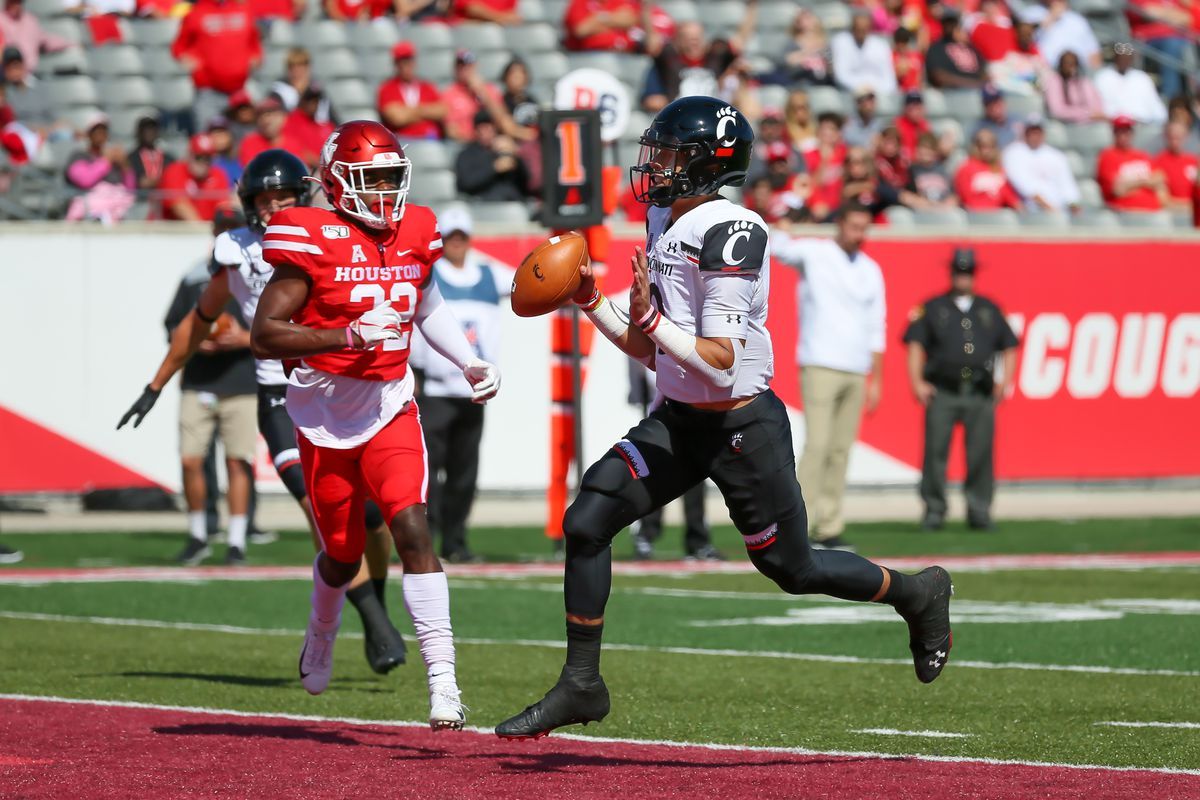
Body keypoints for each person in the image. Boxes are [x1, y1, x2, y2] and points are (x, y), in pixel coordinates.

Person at [493, 96, 953, 740]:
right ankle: (581, 683)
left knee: (794, 570)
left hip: (742, 426)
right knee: (588, 518)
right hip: (682, 421)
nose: (654, 167)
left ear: (709, 164)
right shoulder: (662, 218)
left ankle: (915, 592)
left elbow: (718, 360)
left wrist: (652, 320)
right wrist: (591, 299)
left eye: (670, 155)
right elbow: (653, 351)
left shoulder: (732, 231)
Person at [118, 149, 411, 676]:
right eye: (263, 198)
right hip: (280, 396)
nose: (273, 206)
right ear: (248, 203)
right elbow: (199, 318)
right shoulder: (235, 251)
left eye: (282, 197)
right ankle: (373, 621)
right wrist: (155, 384)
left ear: (305, 196)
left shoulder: (333, 236)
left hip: (341, 387)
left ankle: (378, 600)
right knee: (322, 513)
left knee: (371, 518)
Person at [251, 121, 501, 729]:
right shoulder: (309, 235)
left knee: (413, 529)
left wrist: (466, 359)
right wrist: (347, 333)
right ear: (337, 181)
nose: (386, 190)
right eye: (372, 178)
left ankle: (444, 682)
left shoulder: (416, 228)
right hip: (322, 412)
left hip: (391, 401)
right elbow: (264, 335)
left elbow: (425, 301)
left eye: (393, 176)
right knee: (342, 552)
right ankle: (322, 630)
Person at [772, 203, 885, 552]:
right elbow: (776, 245)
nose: (859, 234)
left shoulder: (870, 269)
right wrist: (788, 211)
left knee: (840, 450)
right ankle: (798, 524)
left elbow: (876, 325)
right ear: (839, 224)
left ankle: (829, 524)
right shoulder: (816, 253)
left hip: (855, 367)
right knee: (817, 446)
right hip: (820, 361)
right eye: (853, 226)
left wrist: (876, 378)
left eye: (864, 228)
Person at [408, 206, 514, 564]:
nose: (456, 244)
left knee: (464, 473)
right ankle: (425, 540)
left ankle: (455, 541)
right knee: (428, 472)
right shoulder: (429, 274)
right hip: (434, 389)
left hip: (472, 392)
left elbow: (527, 283)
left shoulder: (487, 274)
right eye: (450, 237)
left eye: (461, 237)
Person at [157, 206, 258, 565]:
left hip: (243, 381)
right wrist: (198, 342)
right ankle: (199, 533)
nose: (227, 233)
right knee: (190, 459)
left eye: (234, 227)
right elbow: (173, 326)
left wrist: (243, 338)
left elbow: (277, 327)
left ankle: (236, 540)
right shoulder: (195, 275)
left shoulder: (259, 271)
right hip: (198, 380)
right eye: (223, 228)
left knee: (237, 461)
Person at [904, 247, 1018, 531]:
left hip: (979, 391)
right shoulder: (933, 307)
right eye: (958, 271)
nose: (962, 277)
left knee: (981, 453)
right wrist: (917, 381)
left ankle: (979, 509)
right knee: (935, 453)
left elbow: (1009, 345)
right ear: (951, 272)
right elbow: (915, 343)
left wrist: (1006, 381)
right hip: (943, 390)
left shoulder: (989, 309)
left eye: (967, 272)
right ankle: (934, 509)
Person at [626, 360, 721, 562]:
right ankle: (646, 534)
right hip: (660, 406)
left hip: (690, 402)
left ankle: (698, 540)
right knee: (654, 471)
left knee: (695, 472)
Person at [171, 0, 262, 132]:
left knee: (242, 139)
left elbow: (254, 43)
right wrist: (189, 61)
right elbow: (178, 47)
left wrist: (255, 57)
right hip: (208, 92)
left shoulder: (243, 11)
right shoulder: (197, 12)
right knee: (208, 140)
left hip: (239, 92)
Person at [64, 112, 135, 224]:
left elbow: (130, 189)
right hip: (87, 214)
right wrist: (106, 161)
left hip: (115, 214)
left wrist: (125, 166)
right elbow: (85, 180)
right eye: (96, 130)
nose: (100, 134)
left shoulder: (114, 160)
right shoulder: (78, 156)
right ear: (88, 134)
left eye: (103, 130)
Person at [1002, 114, 1080, 213]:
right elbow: (1023, 185)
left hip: (1059, 210)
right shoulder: (1013, 153)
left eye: (1038, 132)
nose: (1035, 136)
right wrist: (1049, 208)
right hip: (1031, 210)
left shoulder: (1056, 156)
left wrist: (1073, 204)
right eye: (1032, 132)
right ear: (1026, 133)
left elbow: (1067, 184)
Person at [454, 110, 531, 202]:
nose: (488, 132)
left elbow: (527, 181)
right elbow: (466, 183)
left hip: (512, 203)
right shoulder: (467, 155)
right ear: (476, 131)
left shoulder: (503, 150)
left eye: (491, 128)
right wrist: (494, 168)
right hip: (484, 204)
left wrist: (516, 156)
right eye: (483, 128)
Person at [377, 41, 446, 141]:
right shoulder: (387, 88)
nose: (407, 65)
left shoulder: (427, 86)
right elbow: (396, 118)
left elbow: (442, 110)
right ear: (396, 64)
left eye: (410, 60)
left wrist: (409, 111)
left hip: (429, 141)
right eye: (403, 62)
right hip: (402, 142)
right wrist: (426, 111)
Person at [1096, 116, 1165, 212]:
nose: (1125, 135)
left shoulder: (1142, 155)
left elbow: (1160, 179)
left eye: (1128, 131)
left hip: (1152, 211)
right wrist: (1145, 182)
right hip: (1125, 213)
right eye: (1121, 131)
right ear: (1114, 133)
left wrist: (1131, 184)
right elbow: (1118, 189)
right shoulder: (1108, 156)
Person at [157, 133, 232, 221]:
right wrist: (201, 231)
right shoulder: (174, 171)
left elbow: (223, 208)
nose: (203, 162)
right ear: (189, 155)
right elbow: (179, 205)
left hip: (206, 230)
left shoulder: (218, 174)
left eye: (207, 158)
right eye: (198, 157)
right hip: (172, 231)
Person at [1094, 42, 1167, 125]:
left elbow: (1158, 110)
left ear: (1131, 59)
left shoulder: (1142, 78)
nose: (1124, 60)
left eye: (1127, 57)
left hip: (1142, 126)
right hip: (1112, 126)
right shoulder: (1103, 77)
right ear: (1116, 57)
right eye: (1121, 57)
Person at [831, 9, 897, 96]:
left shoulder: (881, 46)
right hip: (850, 93)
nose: (861, 32)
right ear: (852, 27)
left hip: (878, 94)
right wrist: (862, 88)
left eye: (864, 29)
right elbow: (841, 75)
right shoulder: (840, 42)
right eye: (858, 29)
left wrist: (874, 90)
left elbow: (889, 80)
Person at [955, 128, 1021, 211]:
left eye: (990, 147)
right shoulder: (966, 168)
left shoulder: (998, 169)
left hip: (996, 215)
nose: (987, 151)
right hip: (975, 215)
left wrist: (1020, 209)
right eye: (983, 146)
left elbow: (1009, 196)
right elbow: (965, 196)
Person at [925, 8, 986, 89]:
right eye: (948, 24)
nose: (950, 27)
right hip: (952, 94)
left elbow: (984, 72)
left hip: (976, 92)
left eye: (954, 24)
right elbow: (938, 77)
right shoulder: (936, 48)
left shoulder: (972, 47)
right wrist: (972, 84)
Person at [1042, 50, 1105, 124]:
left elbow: (1096, 107)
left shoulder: (1084, 82)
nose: (1070, 67)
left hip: (1086, 124)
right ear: (1061, 65)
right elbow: (1057, 111)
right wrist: (1086, 114)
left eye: (1073, 63)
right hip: (1064, 125)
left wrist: (1089, 114)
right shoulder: (1054, 81)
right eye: (1067, 63)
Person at [1155, 121, 1199, 214]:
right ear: (1166, 137)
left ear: (1186, 137)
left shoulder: (1194, 161)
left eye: (1179, 137)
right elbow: (1164, 201)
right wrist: (1193, 207)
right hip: (1174, 216)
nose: (1175, 141)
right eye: (1172, 137)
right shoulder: (1158, 162)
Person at [972, 84, 1021, 150]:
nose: (995, 108)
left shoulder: (1018, 120)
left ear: (1003, 102)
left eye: (997, 102)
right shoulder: (980, 128)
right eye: (991, 104)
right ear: (985, 107)